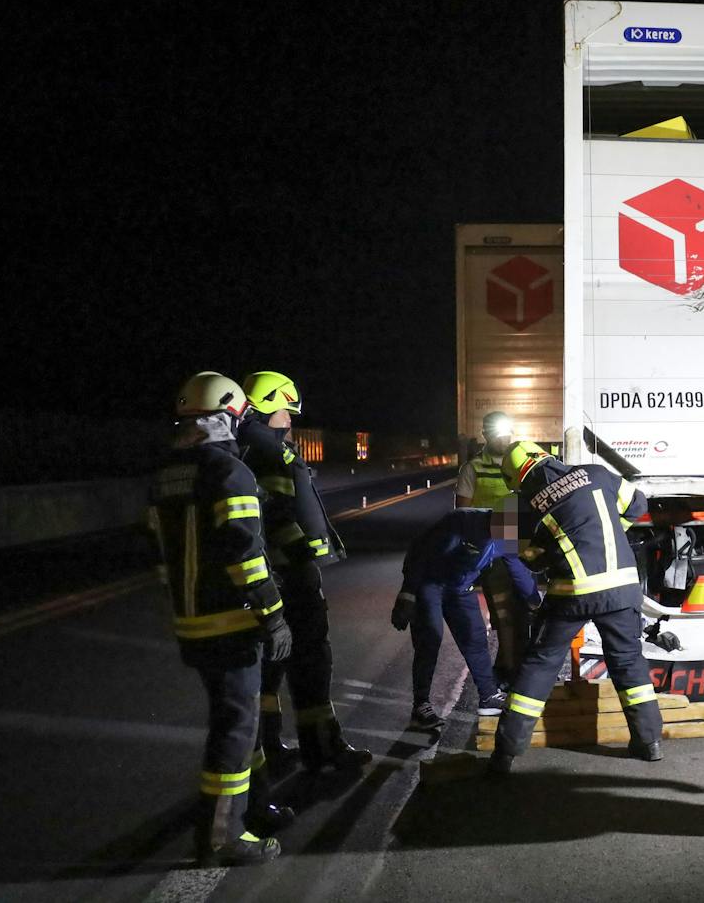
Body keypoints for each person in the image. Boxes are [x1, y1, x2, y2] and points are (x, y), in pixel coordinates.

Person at [149, 372, 294, 866]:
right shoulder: (229, 472)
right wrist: (274, 615)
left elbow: (160, 553)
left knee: (242, 721)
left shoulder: (167, 474)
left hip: (191, 622)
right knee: (234, 729)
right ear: (230, 416)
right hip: (229, 622)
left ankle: (254, 808)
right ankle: (220, 837)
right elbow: (245, 553)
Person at [487, 442, 662, 775]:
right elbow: (638, 504)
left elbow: (528, 559)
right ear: (545, 457)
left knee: (540, 664)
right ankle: (650, 742)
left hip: (572, 593)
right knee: (627, 660)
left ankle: (505, 754)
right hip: (621, 587)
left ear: (519, 478)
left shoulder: (521, 505)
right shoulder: (596, 473)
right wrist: (611, 531)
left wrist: (550, 551)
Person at [237, 370, 371, 772]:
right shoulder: (266, 451)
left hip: (276, 574)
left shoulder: (254, 446)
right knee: (312, 660)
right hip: (289, 575)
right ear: (264, 408)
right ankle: (322, 748)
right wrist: (300, 554)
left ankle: (271, 747)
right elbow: (276, 513)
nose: (291, 419)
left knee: (272, 665)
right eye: (285, 411)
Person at [392, 506, 541, 730]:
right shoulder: (460, 522)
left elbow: (516, 568)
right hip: (430, 584)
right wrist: (408, 593)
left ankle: (489, 696)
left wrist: (535, 601)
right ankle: (421, 706)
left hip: (460, 588)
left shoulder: (508, 531)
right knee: (430, 640)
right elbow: (419, 555)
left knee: (476, 638)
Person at [455, 411, 529, 684]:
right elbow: (461, 514)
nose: (504, 438)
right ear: (485, 435)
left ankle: (512, 663)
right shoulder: (473, 469)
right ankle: (509, 668)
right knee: (504, 611)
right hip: (491, 550)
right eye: (498, 433)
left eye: (507, 432)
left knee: (524, 609)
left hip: (521, 548)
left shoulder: (521, 466)